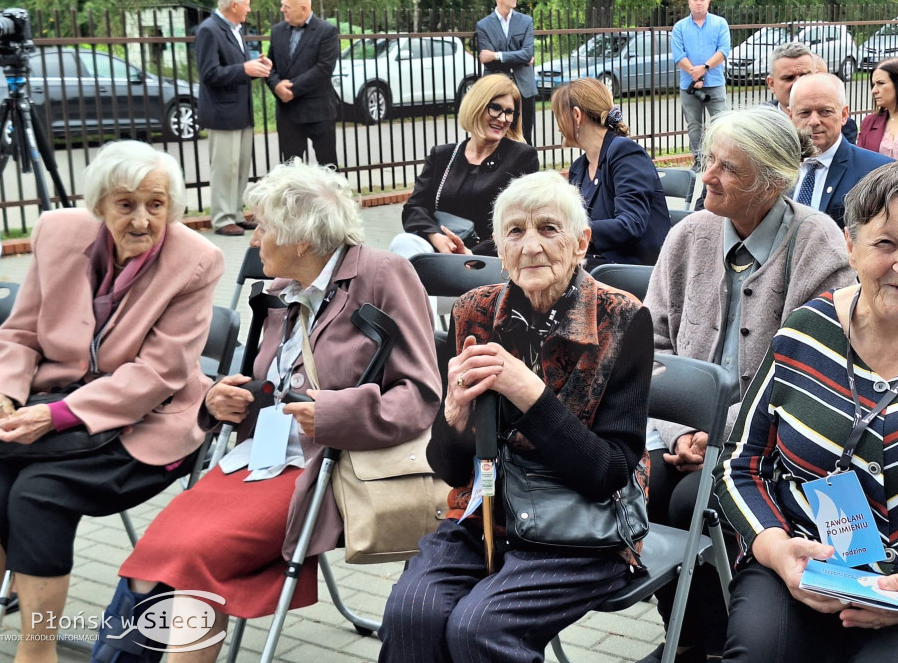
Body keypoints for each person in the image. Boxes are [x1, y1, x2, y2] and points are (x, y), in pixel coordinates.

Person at [93, 159, 442, 663]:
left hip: (327, 467)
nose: (254, 241)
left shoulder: (384, 275)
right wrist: (222, 400)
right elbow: (270, 387)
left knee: (191, 559)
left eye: (263, 227)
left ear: (302, 238)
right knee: (154, 556)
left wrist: (335, 413)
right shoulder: (279, 292)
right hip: (256, 461)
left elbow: (421, 394)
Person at [717, 160, 898, 663]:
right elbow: (741, 465)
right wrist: (779, 554)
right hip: (812, 567)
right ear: (850, 246)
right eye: (885, 244)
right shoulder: (805, 332)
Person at [378, 169, 653, 663]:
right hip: (488, 513)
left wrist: (531, 395)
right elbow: (449, 469)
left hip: (580, 528)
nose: (530, 246)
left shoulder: (622, 318)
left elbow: (610, 474)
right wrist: (455, 415)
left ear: (581, 241)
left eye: (549, 229)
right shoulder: (472, 312)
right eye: (515, 231)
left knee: (477, 628)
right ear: (500, 250)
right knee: (411, 612)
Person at [0, 140, 223, 663]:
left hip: (149, 425)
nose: (142, 220)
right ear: (99, 206)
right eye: (125, 204)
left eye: (156, 205)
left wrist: (54, 415)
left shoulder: (197, 261)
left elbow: (159, 373)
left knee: (37, 495)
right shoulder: (56, 233)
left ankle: (36, 652)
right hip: (51, 407)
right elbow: (21, 333)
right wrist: (3, 394)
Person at [638, 107, 854, 663]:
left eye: (727, 168)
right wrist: (681, 427)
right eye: (709, 159)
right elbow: (649, 344)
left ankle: (713, 643)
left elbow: (817, 373)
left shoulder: (818, 245)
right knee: (640, 490)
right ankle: (685, 637)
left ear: (775, 182)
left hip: (769, 445)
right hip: (682, 431)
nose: (706, 175)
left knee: (691, 501)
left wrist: (723, 432)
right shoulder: (689, 234)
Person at [390, 73, 538, 258]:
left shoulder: (522, 157)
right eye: (495, 108)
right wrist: (436, 237)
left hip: (486, 257)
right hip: (439, 249)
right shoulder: (443, 155)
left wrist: (470, 254)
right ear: (477, 107)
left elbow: (522, 223)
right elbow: (414, 208)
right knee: (403, 243)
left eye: (509, 112)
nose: (502, 118)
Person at [558, 78, 670, 266]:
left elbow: (631, 225)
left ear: (576, 115)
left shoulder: (624, 152)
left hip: (633, 271)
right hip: (597, 266)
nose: (558, 125)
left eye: (559, 115)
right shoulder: (578, 168)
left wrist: (571, 232)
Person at [196, 0, 272, 237]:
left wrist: (255, 66)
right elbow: (209, 74)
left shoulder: (235, 29)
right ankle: (222, 217)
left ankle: (235, 214)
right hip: (222, 114)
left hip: (240, 111)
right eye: (247, 3)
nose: (250, 9)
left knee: (239, 166)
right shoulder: (209, 30)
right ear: (234, 5)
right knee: (224, 167)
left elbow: (235, 67)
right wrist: (244, 69)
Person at [788, 73, 892, 228]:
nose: (814, 121)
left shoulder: (877, 172)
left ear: (844, 115)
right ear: (790, 116)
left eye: (825, 112)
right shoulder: (775, 168)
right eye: (804, 113)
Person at [266, 0, 341, 167]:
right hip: (288, 115)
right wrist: (276, 86)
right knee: (291, 173)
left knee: (328, 170)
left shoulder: (326, 31)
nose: (282, 10)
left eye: (287, 6)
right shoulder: (277, 31)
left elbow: (323, 69)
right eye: (282, 5)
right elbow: (269, 65)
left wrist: (290, 89)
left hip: (318, 112)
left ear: (304, 9)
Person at [672, 0, 730, 167]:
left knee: (722, 123)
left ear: (708, 2)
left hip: (714, 83)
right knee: (694, 125)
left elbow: (723, 51)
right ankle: (699, 160)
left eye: (702, 0)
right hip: (688, 85)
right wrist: (694, 73)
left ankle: (723, 159)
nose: (699, 3)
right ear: (689, 3)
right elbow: (678, 56)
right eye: (695, 0)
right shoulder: (680, 27)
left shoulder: (720, 24)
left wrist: (704, 68)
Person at [476, 0, 538, 143]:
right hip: (496, 88)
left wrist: (497, 55)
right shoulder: (483, 26)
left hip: (524, 87)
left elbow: (527, 53)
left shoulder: (526, 21)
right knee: (498, 136)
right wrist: (520, 57)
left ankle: (528, 169)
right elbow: (486, 60)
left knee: (525, 137)